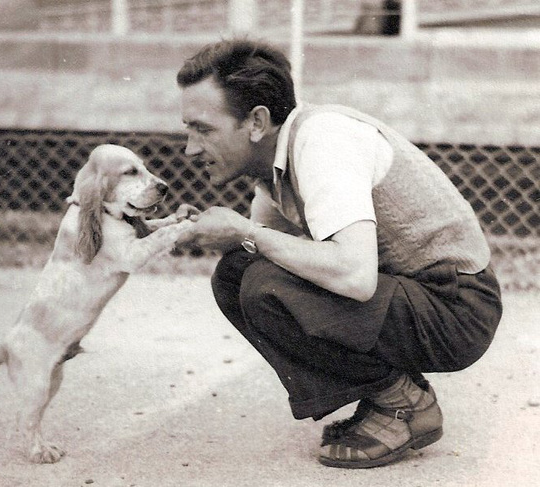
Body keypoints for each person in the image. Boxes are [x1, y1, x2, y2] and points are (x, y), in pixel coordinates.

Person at [175, 39, 502, 469]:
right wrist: (203, 231)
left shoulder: (322, 140)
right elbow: (267, 248)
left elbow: (354, 277)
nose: (189, 149)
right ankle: (389, 396)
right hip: (418, 297)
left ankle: (402, 405)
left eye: (202, 129)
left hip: (458, 307)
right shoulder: (279, 154)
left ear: (257, 121)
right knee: (238, 273)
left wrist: (244, 231)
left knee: (262, 283)